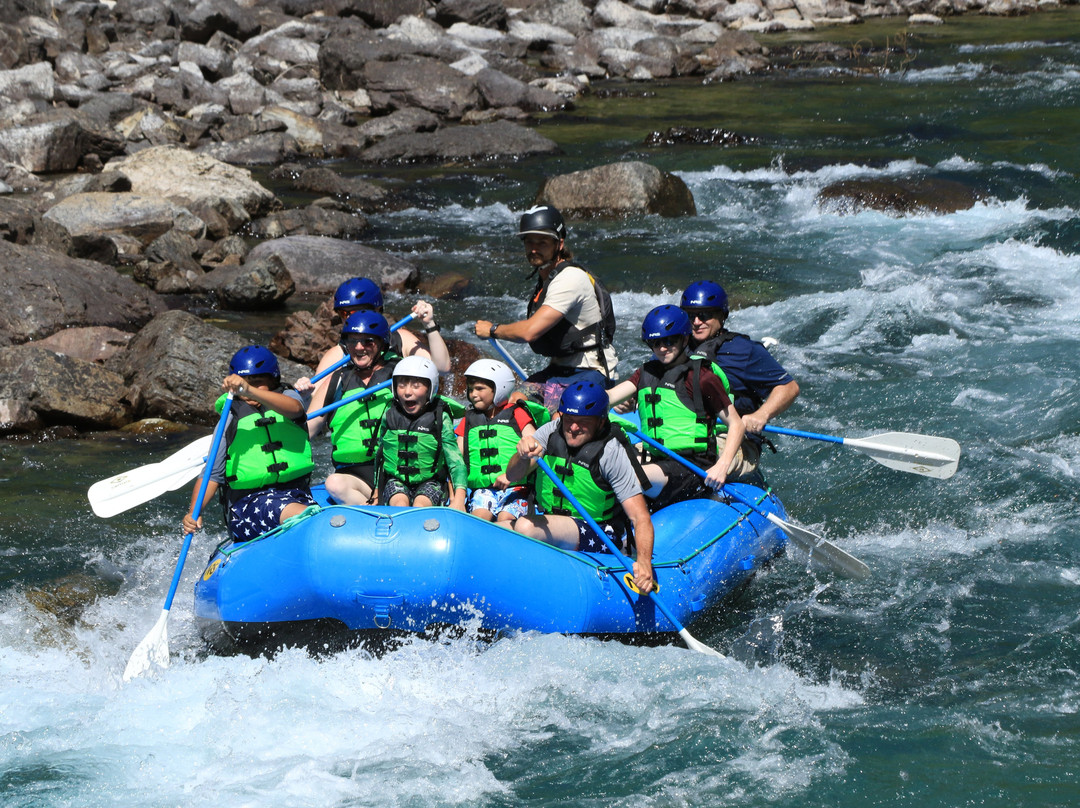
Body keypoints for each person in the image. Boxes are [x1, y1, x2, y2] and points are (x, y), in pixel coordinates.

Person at [505, 380, 654, 594]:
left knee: (526, 528)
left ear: (601, 422)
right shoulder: (550, 431)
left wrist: (644, 562)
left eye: (583, 422)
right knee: (493, 530)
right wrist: (521, 456)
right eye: (569, 420)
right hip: (554, 522)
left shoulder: (611, 452)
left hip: (600, 531)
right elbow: (512, 475)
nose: (573, 428)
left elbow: (640, 517)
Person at [473, 205, 618, 410]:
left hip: (591, 370)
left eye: (542, 242)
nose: (534, 248)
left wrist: (493, 330)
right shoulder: (547, 278)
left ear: (559, 244)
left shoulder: (569, 278)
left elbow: (530, 332)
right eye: (529, 241)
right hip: (560, 369)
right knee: (514, 403)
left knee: (557, 416)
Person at [606, 305, 746, 508]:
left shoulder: (702, 377)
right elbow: (609, 396)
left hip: (693, 468)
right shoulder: (645, 372)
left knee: (630, 477)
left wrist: (721, 466)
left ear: (685, 339)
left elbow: (736, 424)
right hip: (656, 461)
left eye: (669, 341)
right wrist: (577, 400)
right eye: (655, 343)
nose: (662, 348)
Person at [183, 345, 315, 542]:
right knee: (297, 514)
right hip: (248, 506)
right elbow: (212, 474)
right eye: (243, 384)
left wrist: (250, 390)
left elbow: (296, 409)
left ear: (273, 381)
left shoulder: (288, 398)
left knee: (307, 513)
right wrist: (194, 512)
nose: (248, 390)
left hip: (296, 495)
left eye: (258, 382)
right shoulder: (230, 418)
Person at [681, 280, 800, 481]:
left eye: (705, 315)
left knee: (692, 459)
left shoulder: (744, 351)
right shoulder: (674, 347)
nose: (697, 321)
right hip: (683, 432)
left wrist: (762, 414)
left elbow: (789, 387)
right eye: (690, 315)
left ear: (722, 316)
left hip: (733, 440)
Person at [306, 310, 398, 506]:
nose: (359, 347)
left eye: (367, 341)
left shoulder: (401, 375)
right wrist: (298, 398)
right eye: (352, 341)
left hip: (397, 470)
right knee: (334, 483)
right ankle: (379, 514)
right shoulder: (336, 381)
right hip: (355, 476)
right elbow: (305, 431)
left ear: (382, 343)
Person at [298, 277, 450, 389]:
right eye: (344, 314)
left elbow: (441, 368)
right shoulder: (337, 354)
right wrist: (305, 392)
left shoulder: (399, 338)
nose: (352, 318)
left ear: (377, 310)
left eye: (357, 311)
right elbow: (315, 398)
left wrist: (429, 324)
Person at [454, 359, 544, 523]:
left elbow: (538, 448)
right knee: (479, 518)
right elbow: (456, 458)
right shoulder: (468, 419)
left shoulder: (517, 414)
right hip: (482, 489)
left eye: (480, 389)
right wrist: (457, 498)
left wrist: (510, 475)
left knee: (506, 519)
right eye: (471, 389)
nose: (473, 394)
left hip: (516, 488)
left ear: (500, 388)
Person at [373, 356, 467, 510]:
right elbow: (380, 455)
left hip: (431, 481)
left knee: (420, 505)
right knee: (400, 503)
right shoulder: (389, 415)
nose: (407, 392)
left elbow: (455, 461)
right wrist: (376, 492)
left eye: (416, 386)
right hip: (396, 480)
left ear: (431, 388)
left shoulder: (440, 418)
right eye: (401, 385)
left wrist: (459, 500)